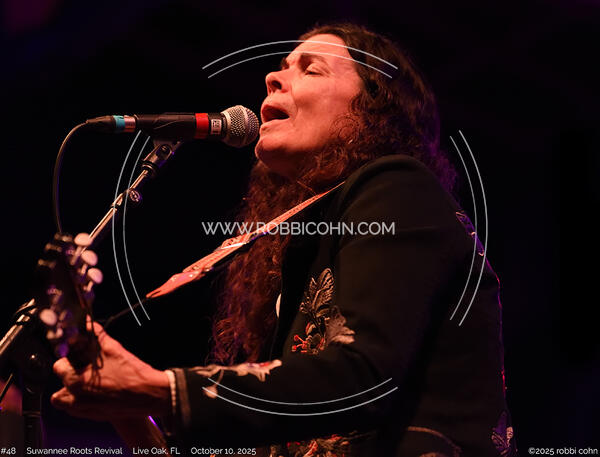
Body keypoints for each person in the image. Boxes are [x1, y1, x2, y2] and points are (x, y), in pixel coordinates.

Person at [51, 23, 517, 457]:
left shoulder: (399, 186)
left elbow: (364, 380)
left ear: (373, 108)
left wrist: (164, 390)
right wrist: (126, 407)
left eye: (310, 69)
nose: (272, 77)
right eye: (282, 66)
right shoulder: (305, 245)